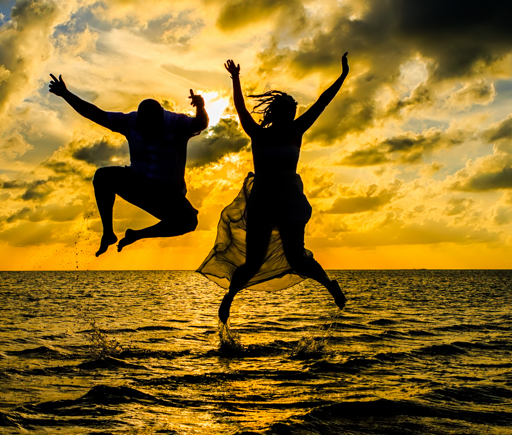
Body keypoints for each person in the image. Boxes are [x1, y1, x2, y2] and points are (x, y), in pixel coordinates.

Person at [198, 54, 349, 323]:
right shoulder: (258, 134)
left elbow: (323, 102)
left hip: (289, 200)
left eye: (292, 110)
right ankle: (229, 299)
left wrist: (342, 76)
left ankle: (330, 285)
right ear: (276, 113)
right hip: (263, 201)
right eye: (287, 110)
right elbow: (241, 108)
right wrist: (235, 78)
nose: (291, 113)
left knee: (296, 257)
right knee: (253, 261)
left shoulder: (296, 130)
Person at [48, 74, 208, 256]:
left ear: (160, 121)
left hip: (167, 195)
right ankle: (108, 232)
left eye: (151, 128)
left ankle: (137, 235)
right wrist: (65, 94)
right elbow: (95, 114)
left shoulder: (176, 124)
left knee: (189, 222)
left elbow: (200, 124)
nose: (146, 132)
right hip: (138, 184)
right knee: (103, 176)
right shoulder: (130, 122)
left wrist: (201, 107)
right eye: (143, 126)